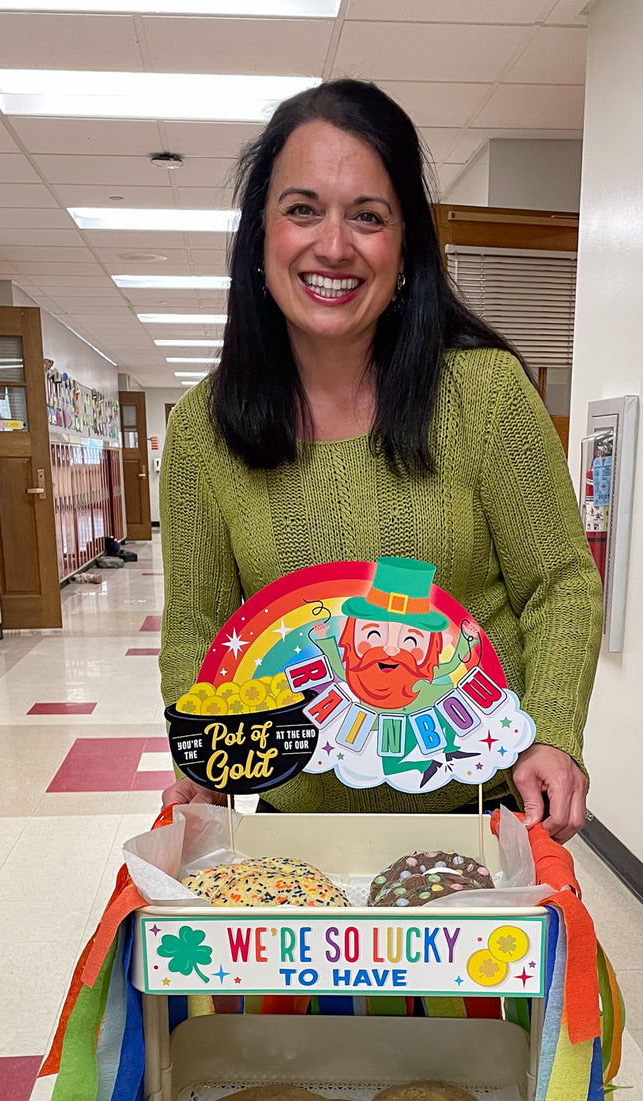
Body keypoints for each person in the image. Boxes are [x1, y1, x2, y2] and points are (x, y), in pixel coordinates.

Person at [159, 79, 602, 840]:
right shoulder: (206, 426)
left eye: (368, 216)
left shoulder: (486, 395)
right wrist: (200, 752)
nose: (334, 246)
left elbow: (559, 583)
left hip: (480, 814)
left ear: (405, 248)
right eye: (302, 210)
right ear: (260, 234)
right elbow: (197, 621)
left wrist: (555, 730)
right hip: (290, 822)